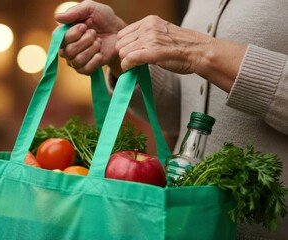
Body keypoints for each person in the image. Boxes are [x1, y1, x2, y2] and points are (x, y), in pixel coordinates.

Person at [55, 0, 288, 239]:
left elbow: (200, 55)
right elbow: (185, 114)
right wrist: (122, 49)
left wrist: (200, 50)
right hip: (182, 226)